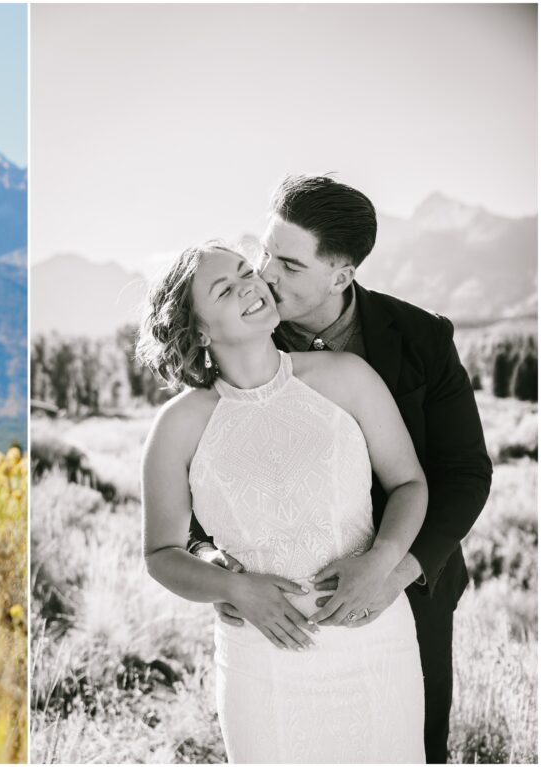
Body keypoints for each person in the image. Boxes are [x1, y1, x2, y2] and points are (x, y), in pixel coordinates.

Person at [189, 175, 492, 763]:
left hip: (411, 587)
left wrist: (391, 569)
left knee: (414, 746)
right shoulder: (234, 336)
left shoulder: (423, 338)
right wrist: (213, 564)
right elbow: (200, 475)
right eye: (265, 253)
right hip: (275, 615)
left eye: (290, 265)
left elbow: (465, 473)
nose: (266, 276)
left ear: (341, 275)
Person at [140, 241, 429, 762]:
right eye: (224, 289)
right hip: (261, 663)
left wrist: (380, 564)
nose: (250, 284)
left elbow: (410, 484)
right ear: (198, 331)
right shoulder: (178, 426)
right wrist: (232, 587)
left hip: (373, 644)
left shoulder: (346, 377)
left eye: (247, 271)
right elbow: (161, 553)